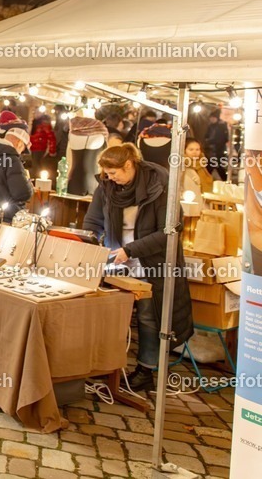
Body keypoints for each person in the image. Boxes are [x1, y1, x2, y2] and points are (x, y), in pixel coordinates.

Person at [84, 143, 194, 391]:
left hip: (151, 263)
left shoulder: (161, 187)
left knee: (147, 316)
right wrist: (90, 239)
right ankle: (108, 366)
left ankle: (146, 370)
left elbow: (169, 231)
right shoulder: (107, 185)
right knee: (112, 313)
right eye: (106, 174)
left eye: (114, 173)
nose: (110, 178)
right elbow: (93, 219)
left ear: (129, 165)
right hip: (117, 262)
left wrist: (130, 251)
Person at [183, 138, 214, 203]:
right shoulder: (181, 164)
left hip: (201, 199)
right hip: (186, 198)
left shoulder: (202, 164)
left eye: (197, 149)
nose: (194, 152)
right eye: (191, 149)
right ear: (184, 150)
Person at [29, 115, 58, 181]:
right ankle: (38, 182)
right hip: (38, 149)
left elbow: (51, 138)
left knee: (37, 167)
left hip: (38, 149)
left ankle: (37, 183)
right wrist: (52, 151)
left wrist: (52, 151)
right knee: (38, 167)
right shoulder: (43, 125)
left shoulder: (38, 125)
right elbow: (51, 137)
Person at [205, 109, 230, 180]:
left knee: (218, 167)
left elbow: (225, 138)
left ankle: (225, 180)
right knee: (212, 167)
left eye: (212, 118)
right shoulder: (210, 126)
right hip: (212, 150)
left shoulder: (222, 125)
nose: (211, 119)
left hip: (219, 150)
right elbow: (206, 136)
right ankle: (207, 179)